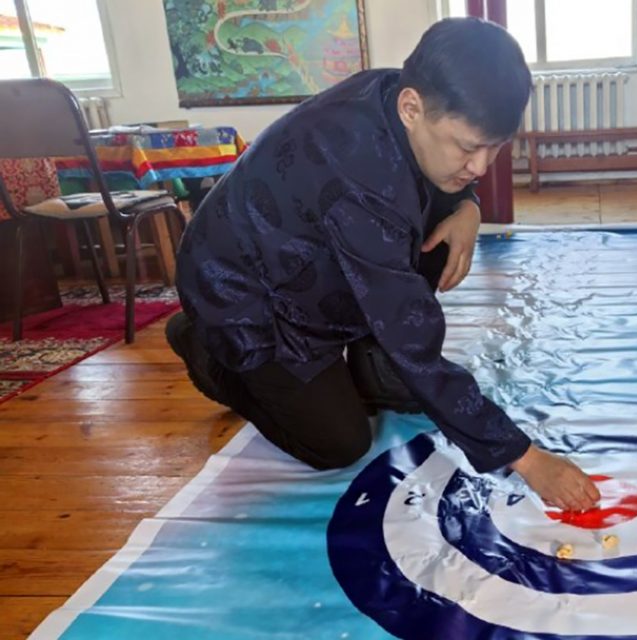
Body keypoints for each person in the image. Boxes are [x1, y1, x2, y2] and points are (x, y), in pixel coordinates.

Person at [167, 18, 599, 512]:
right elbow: (412, 335)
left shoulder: (408, 97)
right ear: (411, 108)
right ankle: (204, 348)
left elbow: (438, 184)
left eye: (496, 146)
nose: (482, 165)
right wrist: (526, 458)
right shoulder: (359, 176)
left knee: (440, 226)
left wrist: (469, 206)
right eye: (468, 148)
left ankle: (372, 367)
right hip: (241, 292)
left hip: (309, 262)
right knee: (339, 443)